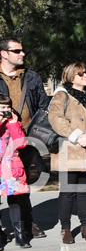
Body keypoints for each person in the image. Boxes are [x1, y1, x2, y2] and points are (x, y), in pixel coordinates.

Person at [49, 63, 86, 244]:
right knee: (67, 191)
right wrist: (75, 135)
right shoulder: (62, 95)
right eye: (80, 73)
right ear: (70, 76)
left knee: (83, 191)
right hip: (69, 149)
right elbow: (55, 118)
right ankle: (65, 228)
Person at [0, 38, 49, 239]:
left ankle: (27, 225)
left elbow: (43, 105)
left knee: (21, 185)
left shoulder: (31, 77)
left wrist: (37, 131)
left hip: (25, 138)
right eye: (17, 50)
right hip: (1, 140)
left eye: (22, 50)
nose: (23, 54)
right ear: (3, 53)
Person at [0, 93, 32, 248]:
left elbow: (21, 144)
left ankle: (20, 236)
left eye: (7, 107)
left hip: (12, 167)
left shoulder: (14, 122)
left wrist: (13, 124)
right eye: (2, 108)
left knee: (15, 201)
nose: (5, 111)